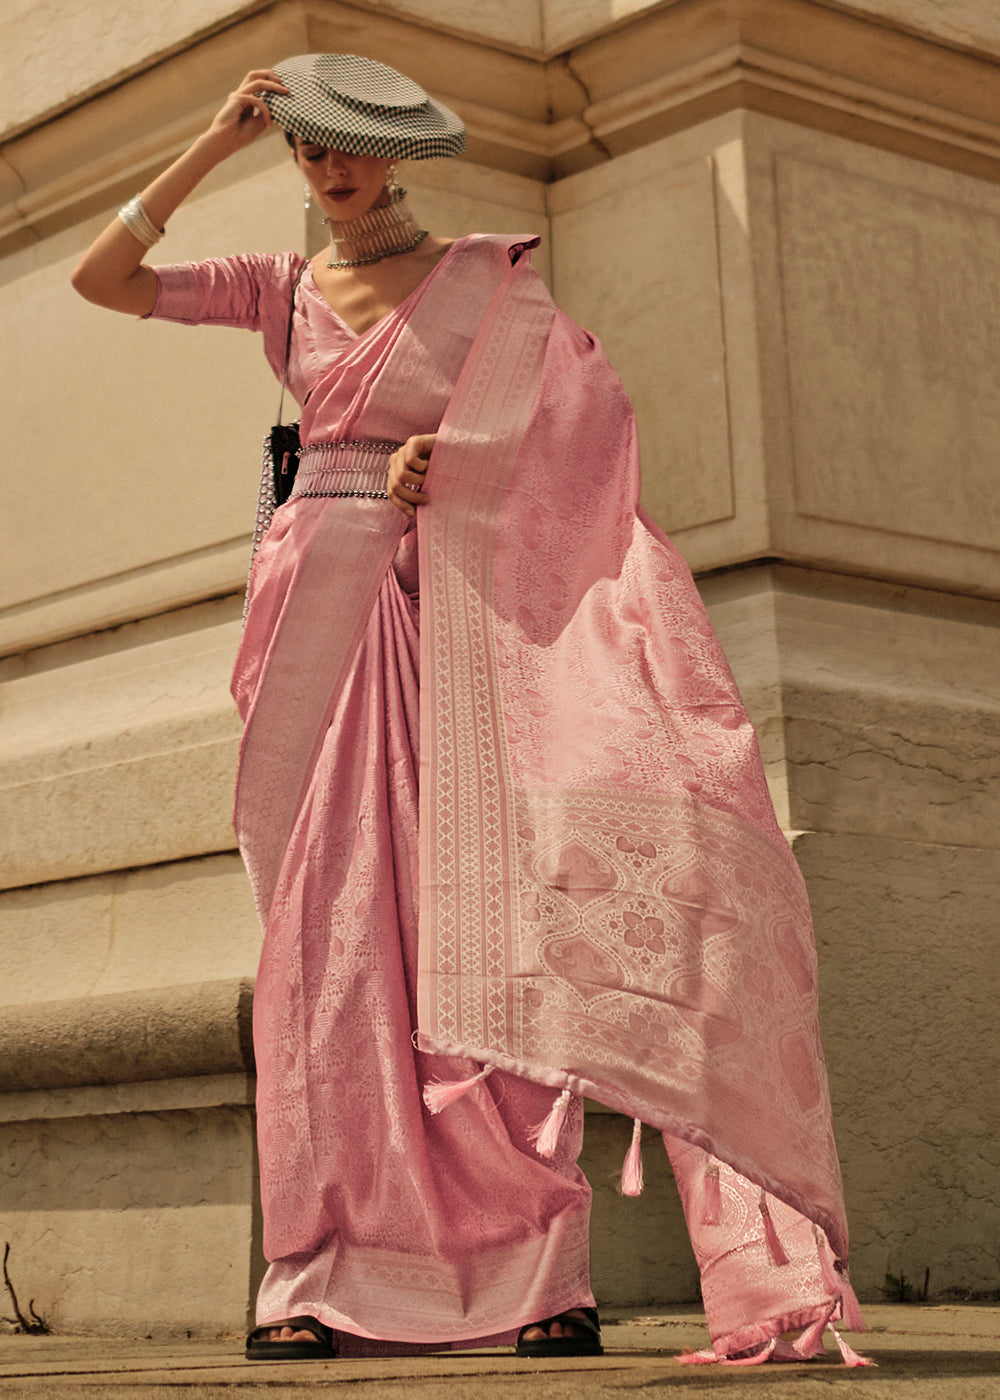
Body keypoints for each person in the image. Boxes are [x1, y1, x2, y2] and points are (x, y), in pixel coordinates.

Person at [71, 53, 870, 1366]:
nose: (330, 167)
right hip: (319, 634)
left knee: (486, 931)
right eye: (306, 146)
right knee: (329, 951)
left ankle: (543, 1272)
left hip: (458, 631)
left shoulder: (488, 289)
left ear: (397, 153)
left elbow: (583, 442)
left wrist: (456, 467)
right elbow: (103, 281)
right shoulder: (278, 288)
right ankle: (320, 1270)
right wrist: (212, 141)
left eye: (350, 144)